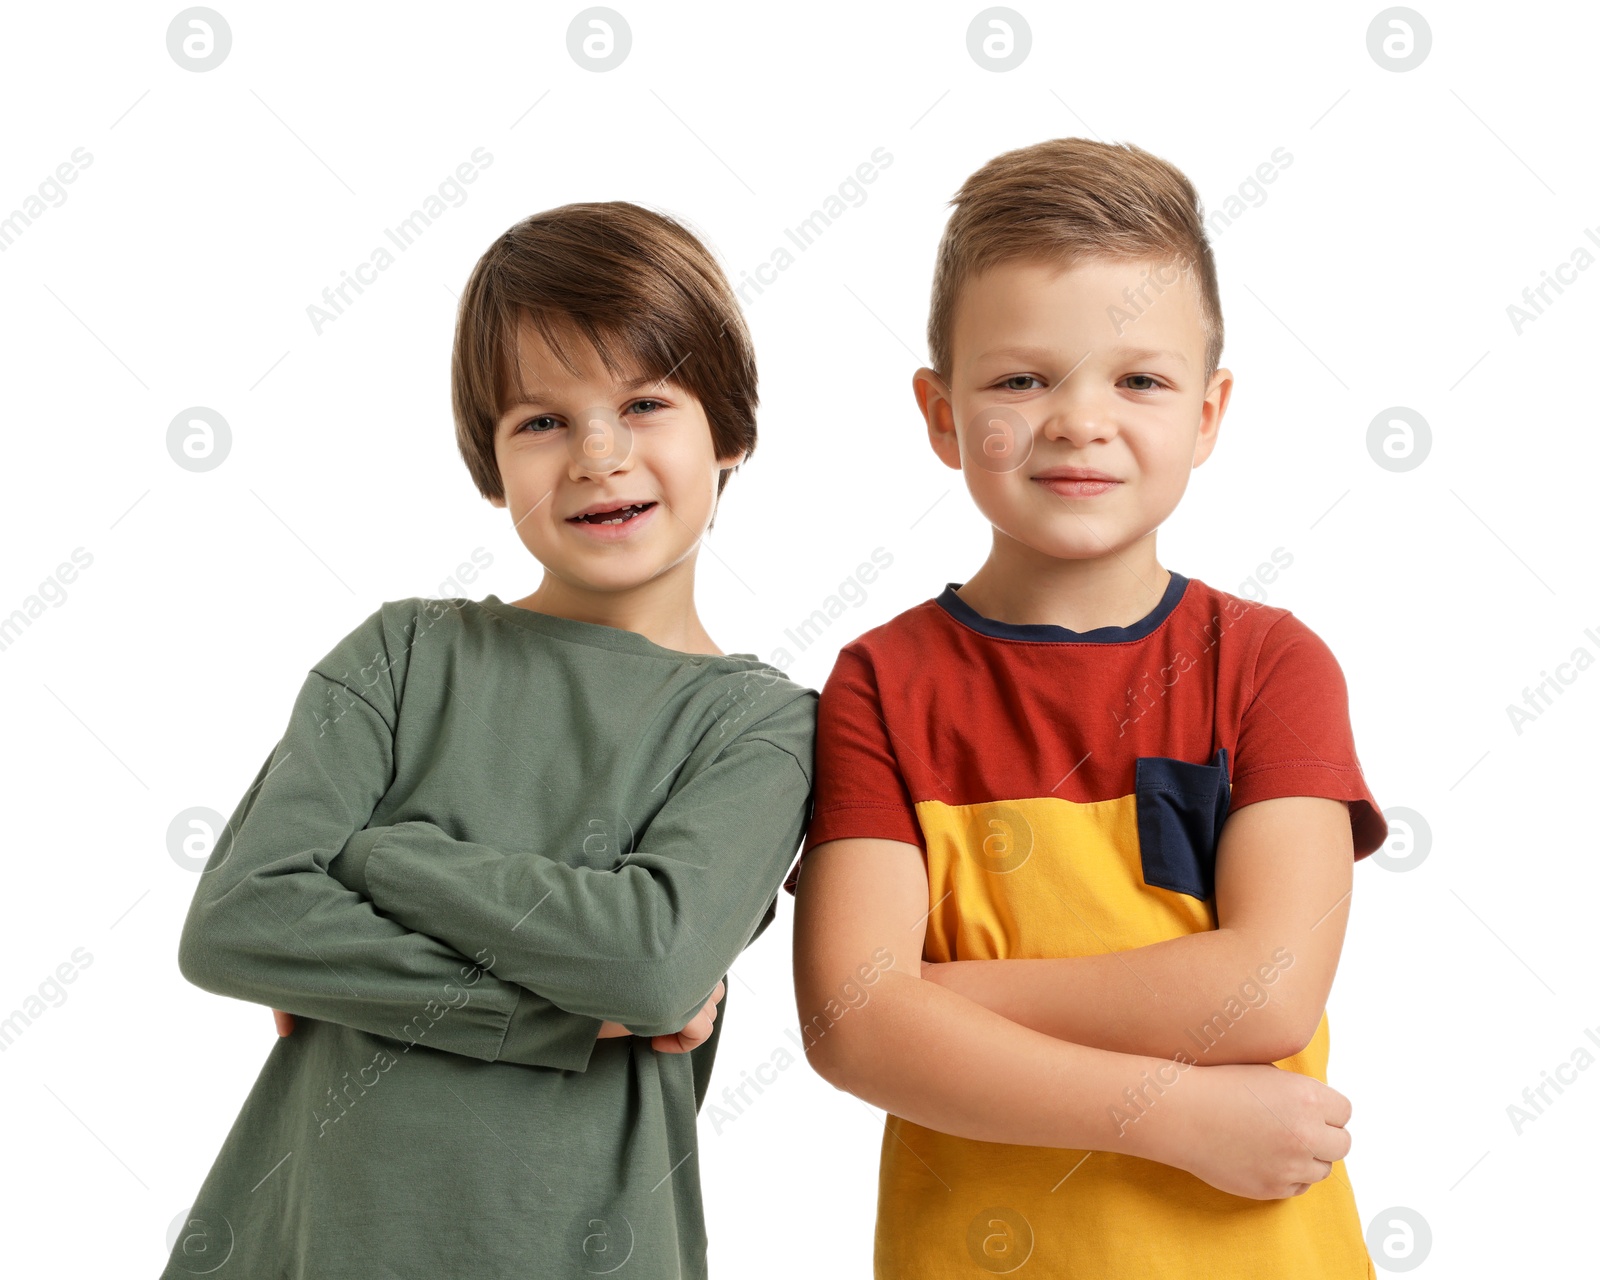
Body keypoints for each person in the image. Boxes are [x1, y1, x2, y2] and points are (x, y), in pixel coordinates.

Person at [164, 202, 817, 1280]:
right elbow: (240, 920)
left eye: (644, 401)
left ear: (729, 430)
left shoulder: (762, 723)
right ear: (490, 459)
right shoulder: (405, 654)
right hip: (301, 1244)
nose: (598, 454)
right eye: (540, 421)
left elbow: (647, 964)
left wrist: (379, 856)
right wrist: (555, 1016)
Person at [788, 138, 1388, 1278]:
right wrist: (1172, 1112)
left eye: (1139, 379)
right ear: (940, 412)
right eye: (1020, 379)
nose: (1076, 420)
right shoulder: (880, 683)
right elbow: (853, 1026)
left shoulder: (1269, 664)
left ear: (1208, 414)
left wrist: (934, 1000)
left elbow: (1262, 991)